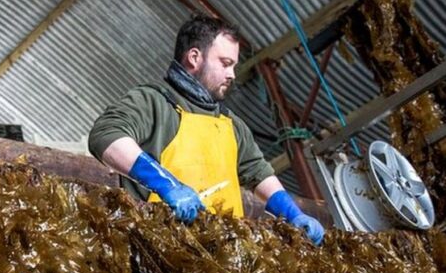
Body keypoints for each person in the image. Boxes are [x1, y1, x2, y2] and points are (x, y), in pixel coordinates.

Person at [88, 14, 324, 244]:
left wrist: (293, 214)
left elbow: (258, 172)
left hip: (227, 254)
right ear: (194, 57)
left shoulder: (232, 124)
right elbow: (106, 135)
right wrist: (167, 185)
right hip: (161, 245)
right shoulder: (154, 102)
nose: (232, 74)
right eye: (225, 63)